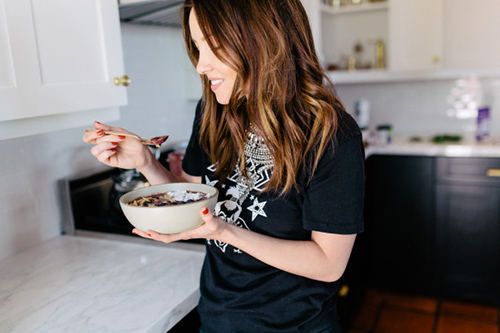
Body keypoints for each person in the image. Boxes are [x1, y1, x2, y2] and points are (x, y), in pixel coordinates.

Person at [83, 0, 365, 332]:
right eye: (197, 48)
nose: (201, 66)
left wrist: (224, 231)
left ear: (262, 39)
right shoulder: (214, 112)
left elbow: (329, 264)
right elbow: (189, 200)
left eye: (214, 47)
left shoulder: (330, 134)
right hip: (218, 317)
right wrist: (145, 161)